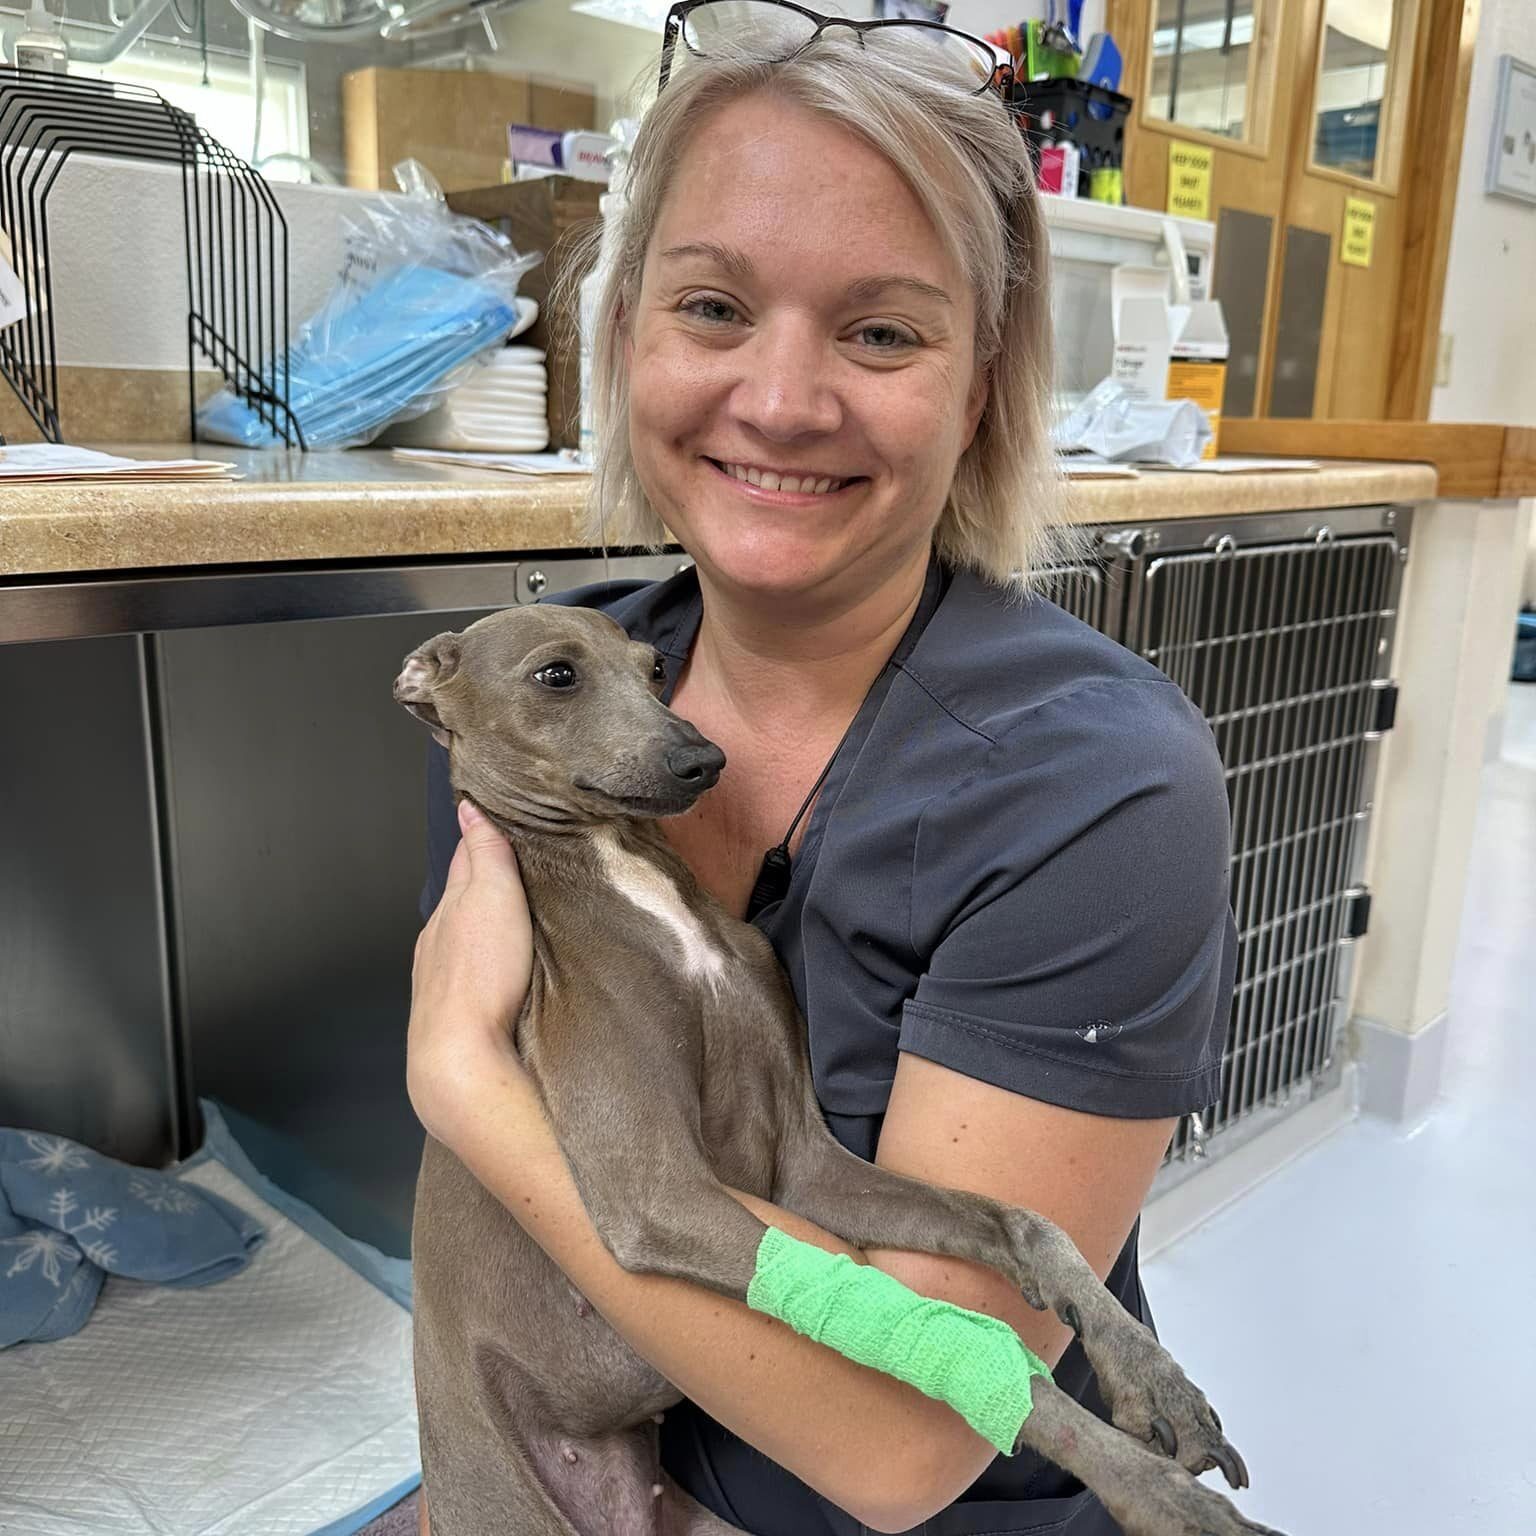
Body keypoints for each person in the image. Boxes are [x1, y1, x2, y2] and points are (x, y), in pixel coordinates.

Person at [407, 5, 1238, 1532]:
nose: (782, 402)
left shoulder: (1092, 791)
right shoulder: (563, 677)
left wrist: (462, 1086)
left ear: (981, 382)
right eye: (714, 306)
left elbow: (903, 1451)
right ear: (622, 332)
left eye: (881, 331)